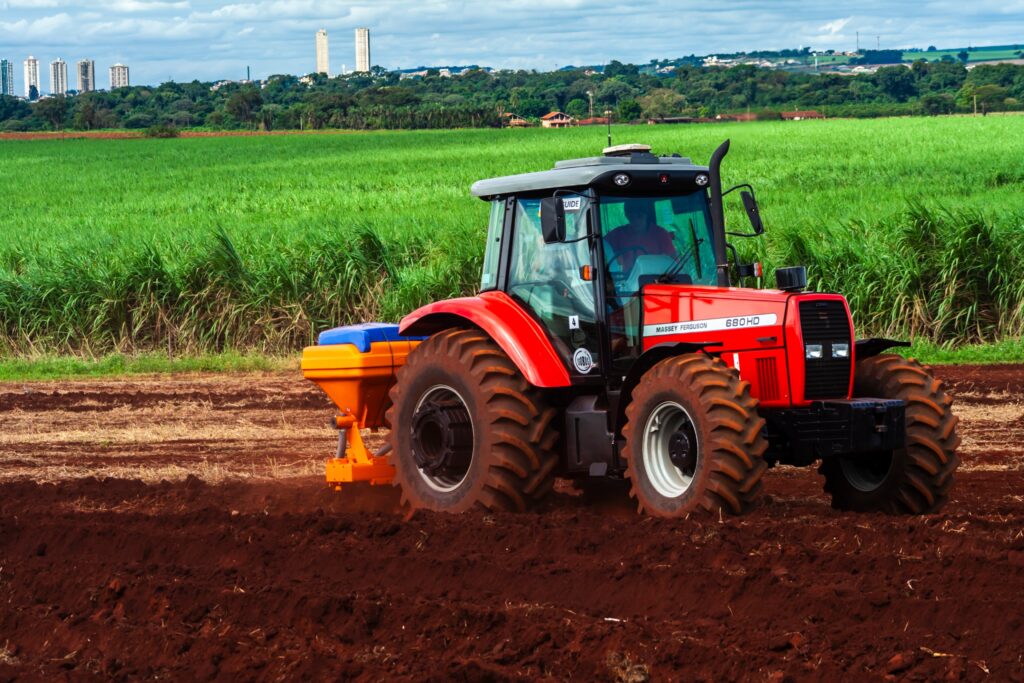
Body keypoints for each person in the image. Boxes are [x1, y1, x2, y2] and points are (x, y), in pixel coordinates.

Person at [603, 201, 677, 273]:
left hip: (656, 280)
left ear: (646, 215)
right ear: (627, 216)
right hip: (629, 282)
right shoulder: (619, 234)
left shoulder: (661, 234)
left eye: (639, 216)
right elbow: (600, 245)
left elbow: (673, 262)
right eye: (632, 217)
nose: (636, 221)